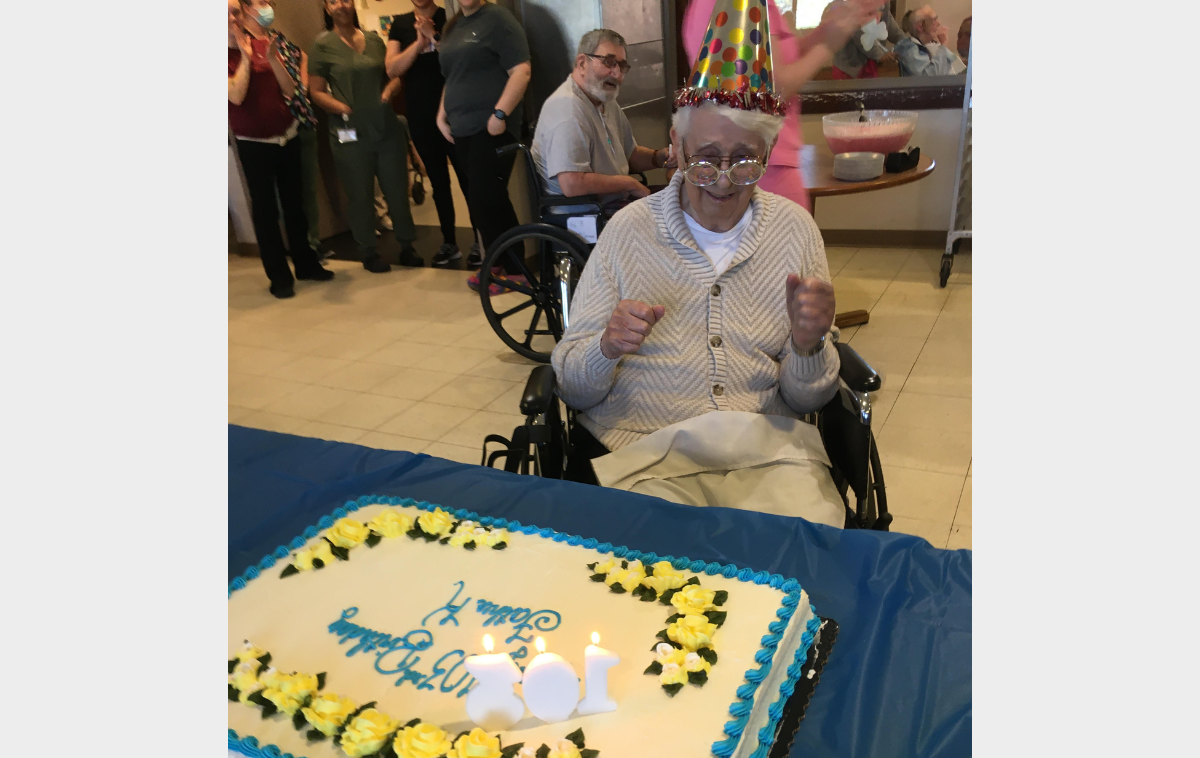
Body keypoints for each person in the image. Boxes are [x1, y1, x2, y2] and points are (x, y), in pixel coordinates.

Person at [550, 97, 845, 526]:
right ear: (676, 145)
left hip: (767, 455)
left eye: (745, 160)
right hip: (640, 453)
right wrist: (605, 347)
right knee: (658, 576)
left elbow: (810, 398)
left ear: (769, 149)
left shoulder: (795, 231)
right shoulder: (628, 230)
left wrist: (808, 348)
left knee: (805, 563)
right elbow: (572, 389)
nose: (723, 182)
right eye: (705, 160)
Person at [682, 0, 875, 212]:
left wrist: (827, 31)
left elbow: (773, 59)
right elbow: (770, 92)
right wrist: (828, 46)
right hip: (759, 163)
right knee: (787, 240)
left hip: (757, 160)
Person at [308, 0, 423, 274]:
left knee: (397, 190)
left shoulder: (373, 41)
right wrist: (341, 108)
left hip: (385, 128)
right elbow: (316, 91)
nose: (341, 5)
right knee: (359, 194)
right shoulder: (322, 47)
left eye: (345, 0)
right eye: (334, 1)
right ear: (326, 8)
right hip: (349, 133)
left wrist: (390, 91)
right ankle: (368, 251)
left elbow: (393, 75)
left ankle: (407, 246)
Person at [228, 0, 333, 299]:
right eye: (226, 13)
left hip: (287, 135)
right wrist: (246, 58)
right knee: (265, 211)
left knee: (295, 204)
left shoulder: (265, 41)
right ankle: (279, 276)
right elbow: (235, 96)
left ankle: (306, 263)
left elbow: (291, 90)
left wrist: (272, 58)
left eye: (235, 11)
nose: (233, 18)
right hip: (254, 143)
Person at [434, 0, 532, 290]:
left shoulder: (498, 19)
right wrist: (441, 114)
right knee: (487, 200)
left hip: (491, 129)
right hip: (460, 130)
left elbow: (521, 70)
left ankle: (506, 268)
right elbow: (451, 77)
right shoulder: (453, 26)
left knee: (485, 198)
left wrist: (499, 114)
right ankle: (507, 266)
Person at [531, 29, 672, 212]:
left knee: (678, 202)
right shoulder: (567, 109)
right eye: (609, 62)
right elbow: (572, 183)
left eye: (622, 66)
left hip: (614, 203)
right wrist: (628, 184)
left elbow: (629, 156)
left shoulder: (605, 100)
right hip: (587, 214)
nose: (617, 74)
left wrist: (658, 158)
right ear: (582, 63)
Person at [386, 0, 481, 268]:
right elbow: (392, 68)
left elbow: (459, 60)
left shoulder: (450, 16)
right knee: (438, 183)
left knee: (466, 178)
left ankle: (479, 240)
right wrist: (418, 43)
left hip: (454, 112)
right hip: (420, 115)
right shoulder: (400, 24)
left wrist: (433, 36)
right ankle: (449, 242)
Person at [830, 2, 904, 79]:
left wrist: (905, 41)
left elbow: (889, 23)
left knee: (869, 88)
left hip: (869, 62)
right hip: (849, 65)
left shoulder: (883, 4)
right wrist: (881, 54)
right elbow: (859, 33)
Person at [895, 4, 966, 76]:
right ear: (920, 26)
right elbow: (931, 77)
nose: (938, 23)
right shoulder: (908, 48)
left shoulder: (929, 45)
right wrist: (943, 46)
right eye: (934, 20)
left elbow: (957, 70)